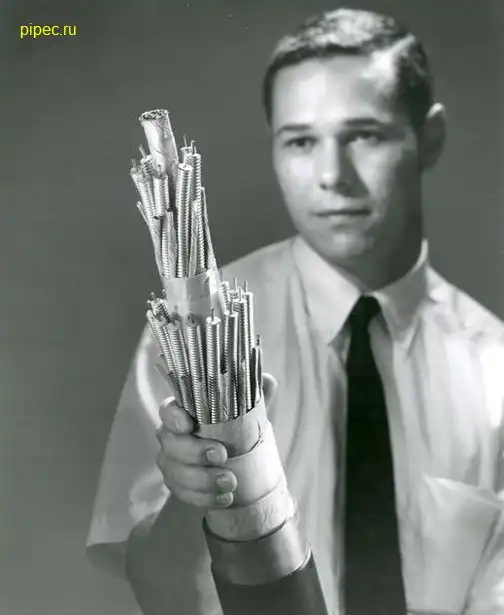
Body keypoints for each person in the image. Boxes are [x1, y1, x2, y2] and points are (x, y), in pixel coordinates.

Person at [87, 8, 504, 615]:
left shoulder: (496, 367)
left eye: (365, 135)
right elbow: (155, 585)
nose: (333, 176)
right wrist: (194, 497)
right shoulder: (192, 337)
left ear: (429, 138)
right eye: (301, 141)